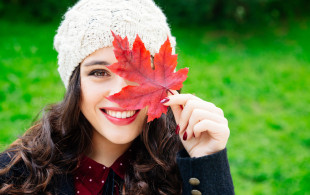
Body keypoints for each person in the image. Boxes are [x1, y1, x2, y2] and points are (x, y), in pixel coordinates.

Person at [0, 0, 234, 194]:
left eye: (136, 73)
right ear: (75, 84)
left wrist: (207, 165)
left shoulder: (184, 173)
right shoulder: (16, 175)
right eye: (99, 73)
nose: (120, 94)